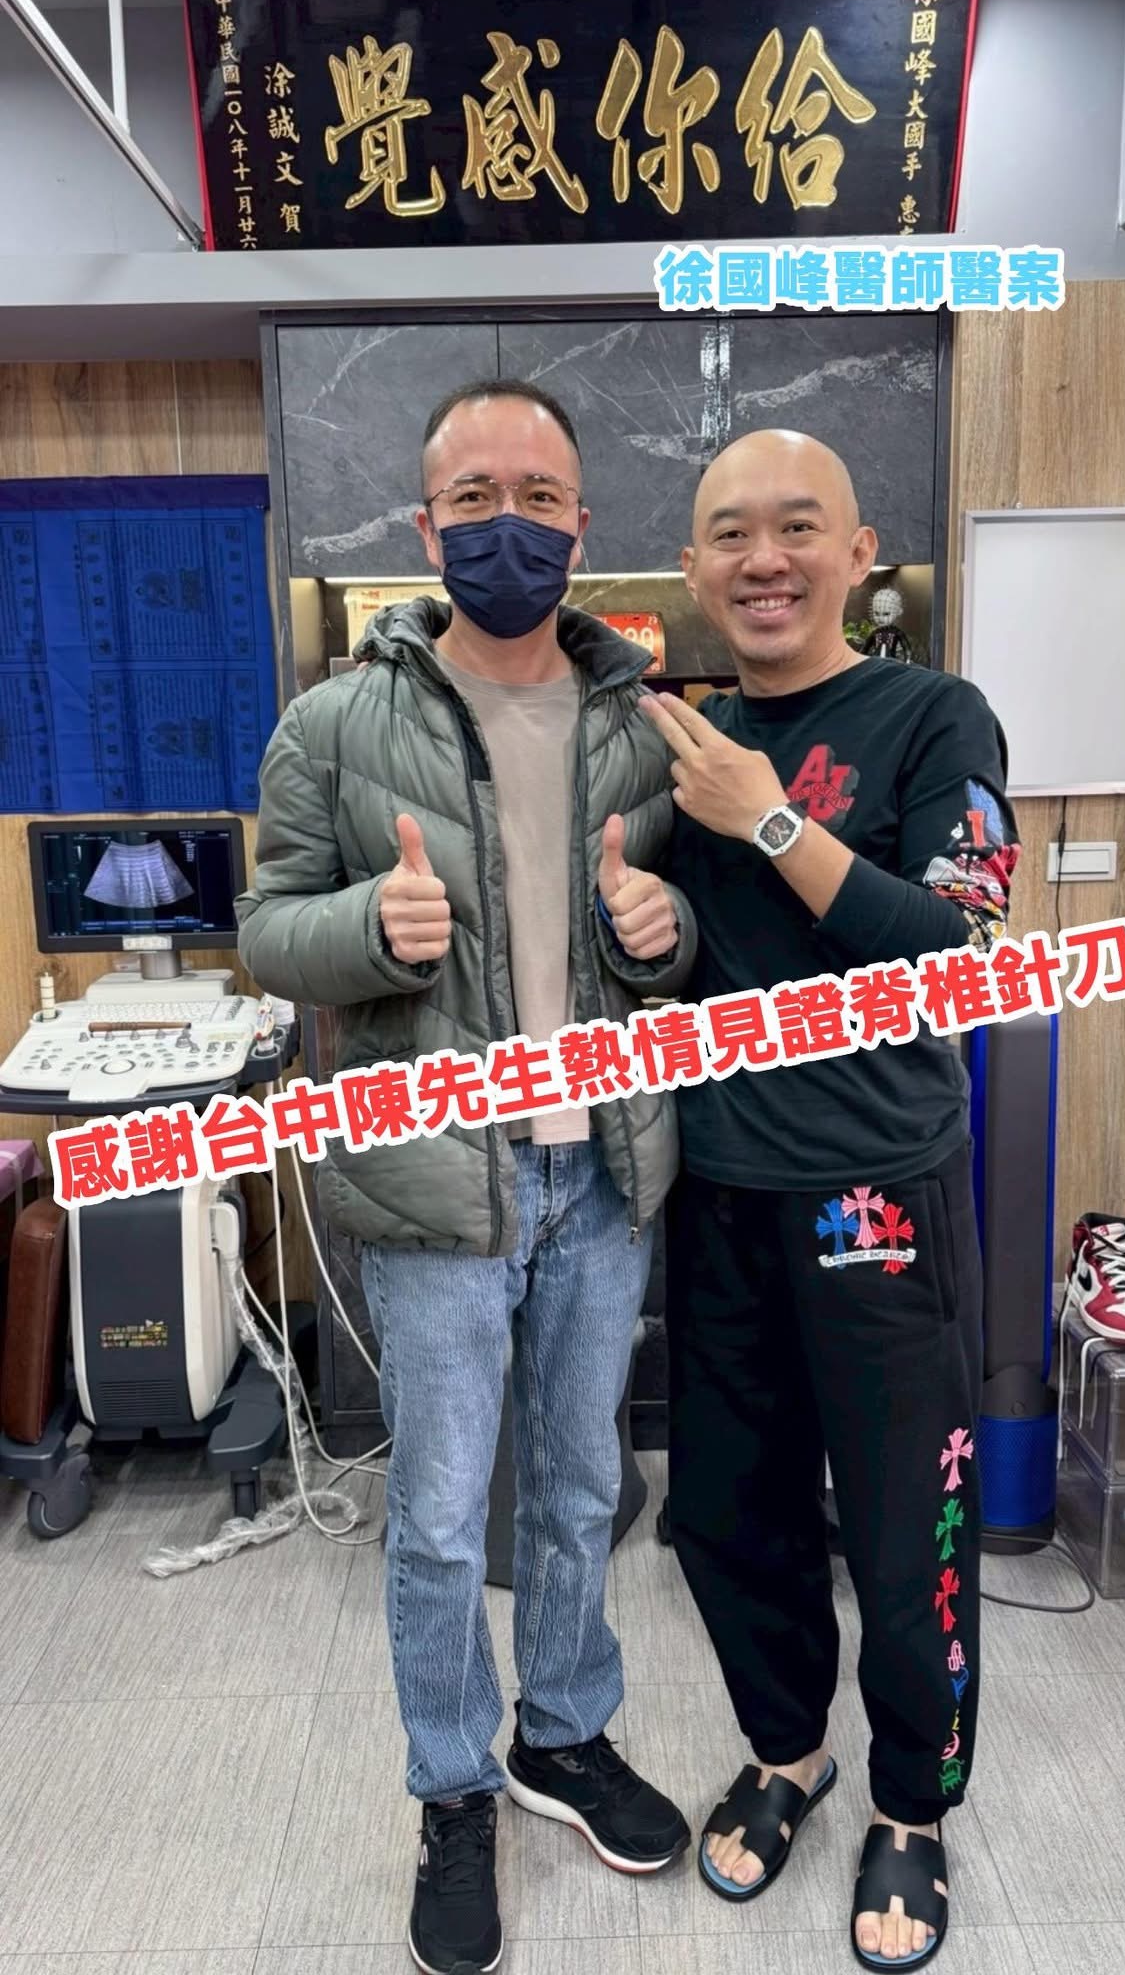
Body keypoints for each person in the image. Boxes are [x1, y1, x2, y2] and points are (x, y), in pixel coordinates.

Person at [237, 379, 694, 1975]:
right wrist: (369, 929)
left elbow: (674, 942)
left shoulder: (642, 723)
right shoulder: (335, 723)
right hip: (438, 1175)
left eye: (541, 496)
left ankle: (564, 1734)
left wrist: (668, 936)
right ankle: (452, 1787)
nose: (512, 523)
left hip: (602, 1174)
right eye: (477, 497)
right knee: (437, 1519)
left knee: (580, 1490)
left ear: (582, 523)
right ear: (427, 529)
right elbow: (266, 928)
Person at [640, 429, 1019, 1972]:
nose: (765, 559)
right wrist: (637, 907)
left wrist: (771, 822)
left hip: (878, 1197)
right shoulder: (686, 740)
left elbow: (961, 953)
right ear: (693, 567)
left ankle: (913, 1806)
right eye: (731, 533)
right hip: (719, 1194)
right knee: (727, 1513)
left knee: (905, 1518)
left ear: (860, 555)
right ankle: (787, 1749)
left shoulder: (933, 715)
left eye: (799, 528)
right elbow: (665, 956)